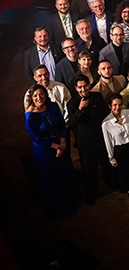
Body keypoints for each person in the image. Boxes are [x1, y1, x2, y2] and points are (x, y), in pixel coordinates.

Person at [25, 84, 81, 217]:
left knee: (66, 172)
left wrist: (62, 142)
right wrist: (56, 147)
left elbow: (62, 124)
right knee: (53, 179)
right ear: (31, 98)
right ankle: (60, 209)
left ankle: (72, 199)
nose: (39, 98)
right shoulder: (30, 116)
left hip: (60, 143)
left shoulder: (53, 106)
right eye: (36, 96)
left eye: (41, 94)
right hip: (45, 151)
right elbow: (36, 138)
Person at [67, 74, 112, 205]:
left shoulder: (97, 96)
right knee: (88, 170)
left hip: (100, 138)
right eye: (80, 87)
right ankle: (91, 195)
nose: (83, 89)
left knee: (106, 164)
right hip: (85, 142)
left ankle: (110, 184)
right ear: (76, 88)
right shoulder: (72, 103)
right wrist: (80, 109)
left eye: (85, 86)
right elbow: (73, 123)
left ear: (89, 85)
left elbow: (104, 114)